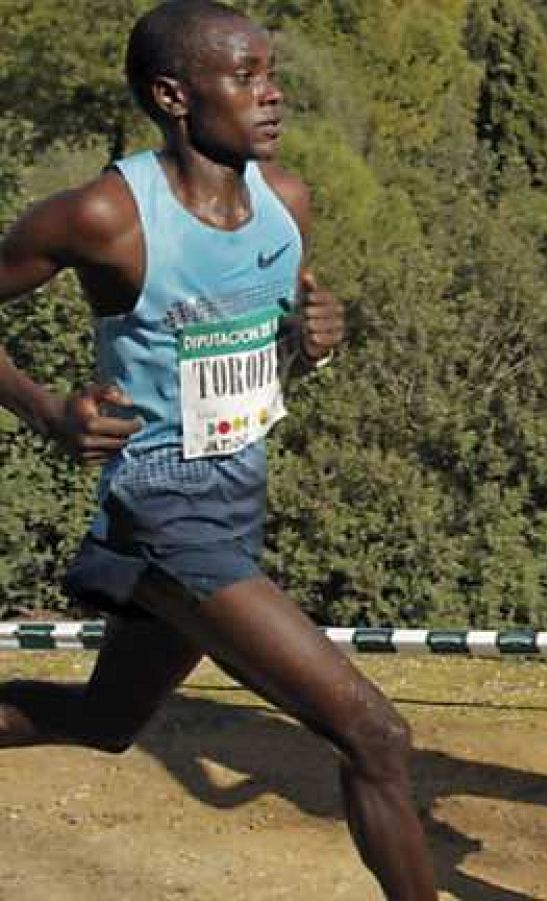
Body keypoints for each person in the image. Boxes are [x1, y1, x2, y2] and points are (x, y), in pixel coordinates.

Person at [0, 3, 436, 897]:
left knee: (105, 719)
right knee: (375, 736)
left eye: (269, 72)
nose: (272, 94)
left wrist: (310, 345)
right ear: (173, 95)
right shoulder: (105, 215)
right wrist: (45, 410)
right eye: (244, 77)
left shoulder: (287, 203)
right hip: (162, 505)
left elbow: (254, 371)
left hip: (236, 499)